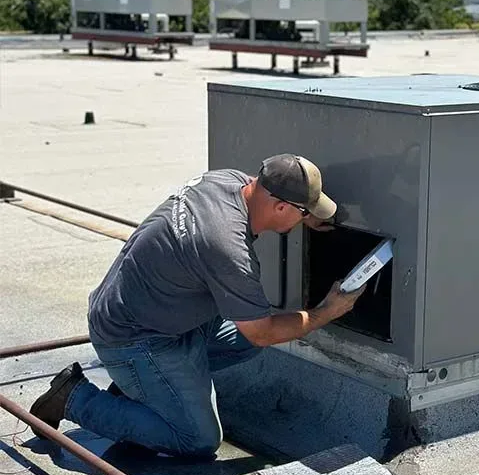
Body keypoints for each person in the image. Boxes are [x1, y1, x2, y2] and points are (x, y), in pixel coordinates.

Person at [30, 154, 363, 457]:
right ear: (280, 207)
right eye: (304, 212)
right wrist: (326, 312)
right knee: (197, 438)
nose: (306, 218)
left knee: (244, 340)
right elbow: (262, 332)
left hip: (142, 310)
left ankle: (148, 392)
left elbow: (253, 331)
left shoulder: (229, 181)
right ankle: (75, 398)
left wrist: (302, 215)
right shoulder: (227, 246)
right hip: (133, 338)